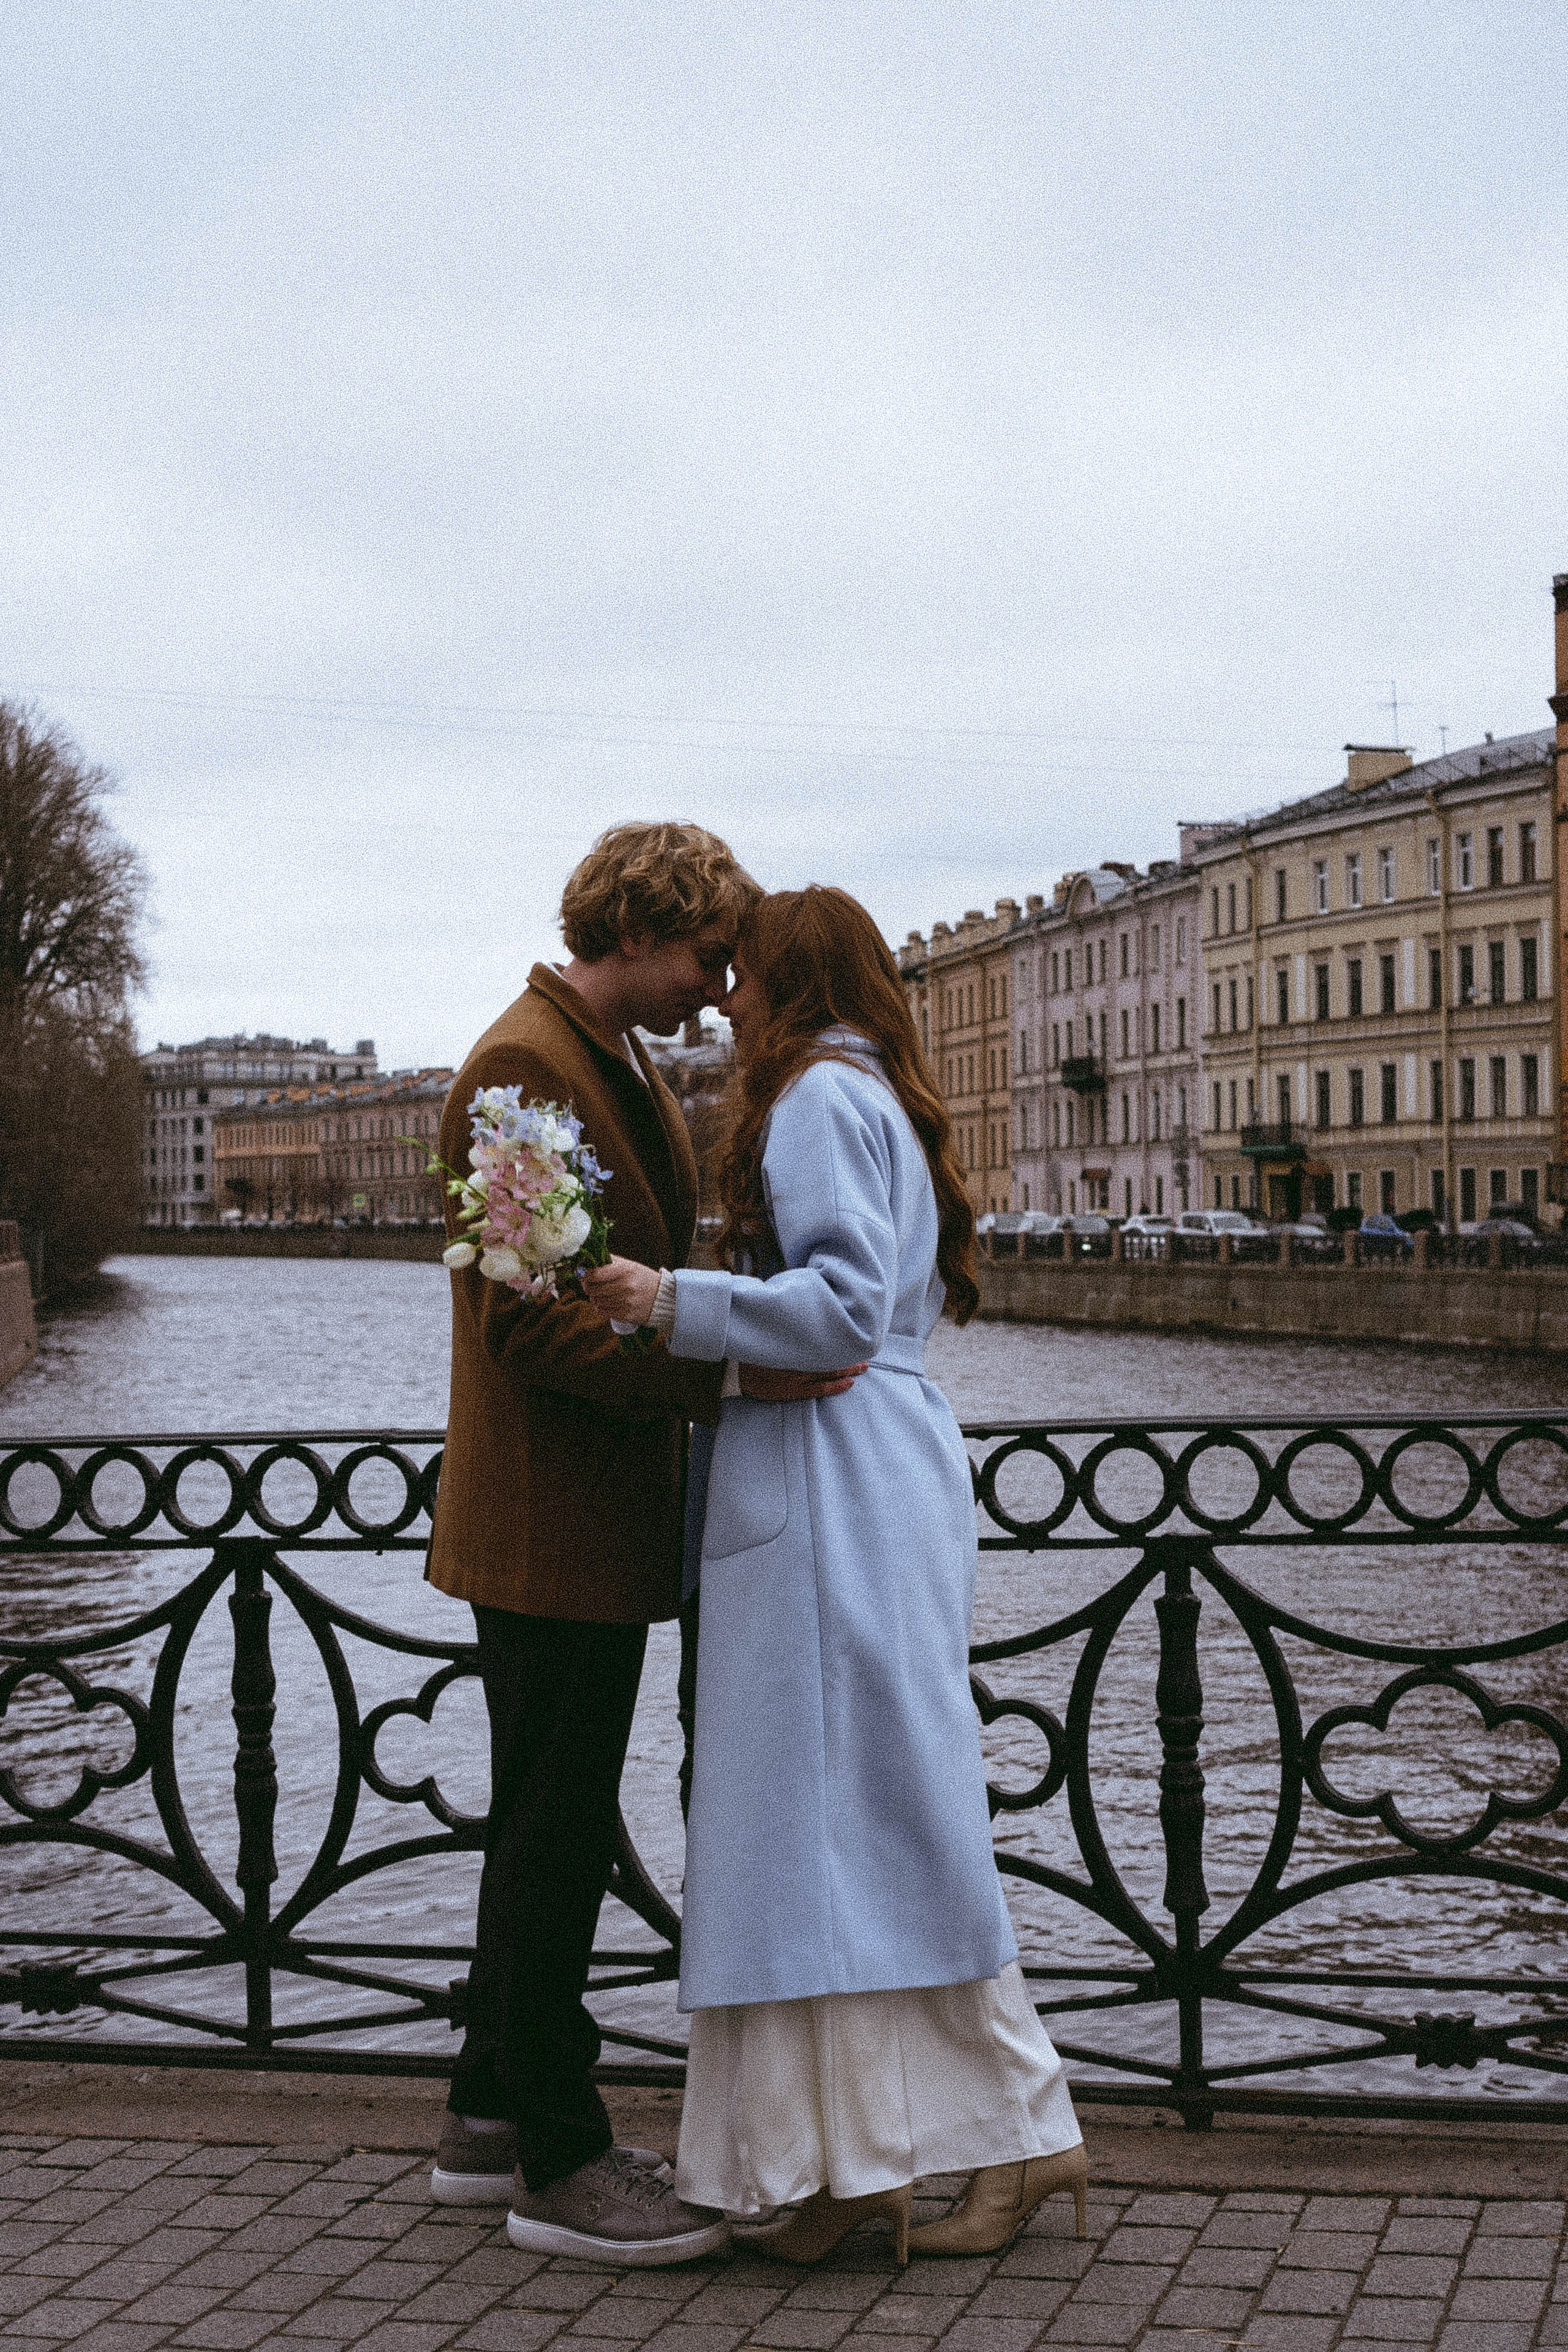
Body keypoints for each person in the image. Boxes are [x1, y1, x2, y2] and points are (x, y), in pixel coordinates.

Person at [582, 884, 1086, 2266]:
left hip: (824, 1483)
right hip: (875, 1470)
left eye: (741, 973)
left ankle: (943, 2144)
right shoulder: (875, 1096)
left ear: (790, 981)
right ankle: (873, 2160)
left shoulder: (811, 1099)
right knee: (860, 1824)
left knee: (827, 1828)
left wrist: (664, 1300)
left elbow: (844, 1310)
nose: (725, 997)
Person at [426, 825, 864, 2267]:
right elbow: (527, 1322)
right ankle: (558, 2162)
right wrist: (724, 1372)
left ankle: (485, 2114)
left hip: (595, 1518)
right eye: (707, 955)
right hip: (548, 1523)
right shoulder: (521, 1070)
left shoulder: (604, 1061)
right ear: (637, 930)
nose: (720, 986)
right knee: (554, 1840)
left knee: (543, 1822)